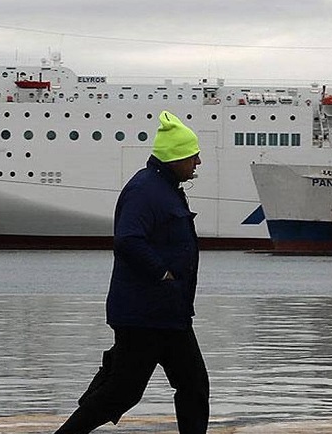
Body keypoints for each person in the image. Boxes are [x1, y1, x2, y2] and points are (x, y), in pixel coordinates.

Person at [54, 110, 209, 434]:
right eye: (192, 155)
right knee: (121, 392)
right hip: (144, 315)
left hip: (170, 315)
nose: (197, 162)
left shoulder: (163, 188)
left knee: (193, 385)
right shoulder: (145, 190)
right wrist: (162, 275)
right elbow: (127, 239)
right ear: (175, 157)